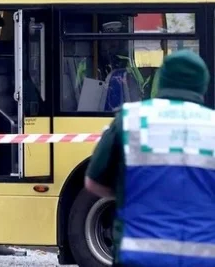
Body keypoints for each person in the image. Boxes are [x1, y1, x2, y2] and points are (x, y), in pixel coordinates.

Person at [84, 49, 215, 266]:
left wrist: (129, 193)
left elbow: (93, 181)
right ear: (203, 86)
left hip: (139, 257)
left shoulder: (132, 118)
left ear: (162, 81)